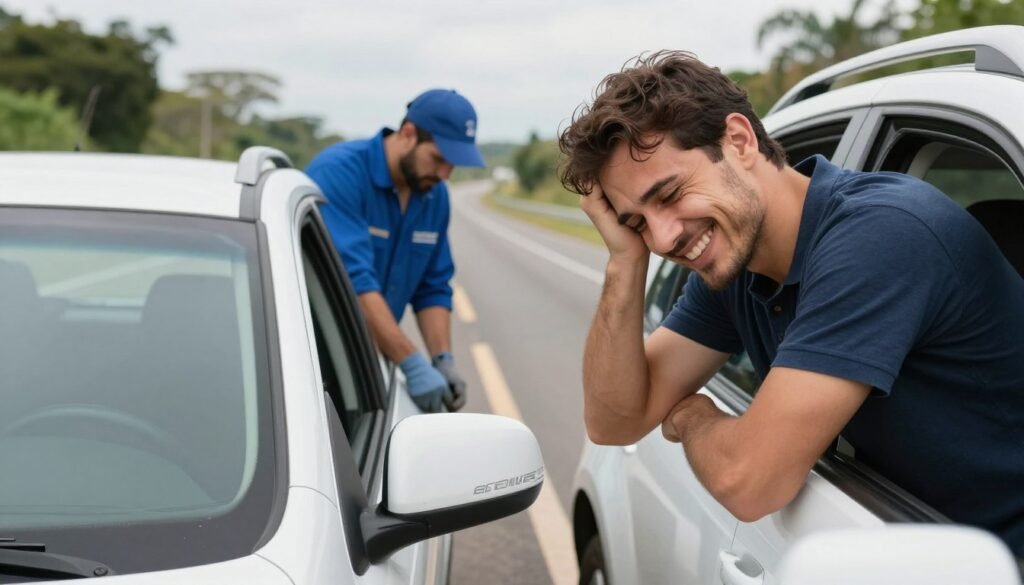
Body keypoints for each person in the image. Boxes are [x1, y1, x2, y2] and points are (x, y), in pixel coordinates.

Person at [558, 50, 1024, 555]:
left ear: (738, 141)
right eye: (638, 222)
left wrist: (695, 417)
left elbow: (749, 481)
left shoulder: (883, 235)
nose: (664, 237)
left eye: (669, 194)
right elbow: (613, 422)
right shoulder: (734, 265)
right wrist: (625, 261)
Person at [306, 89, 485, 413]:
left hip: (368, 369)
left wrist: (441, 359)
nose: (445, 174)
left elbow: (432, 286)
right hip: (314, 365)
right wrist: (411, 362)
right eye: (438, 158)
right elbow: (354, 283)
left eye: (453, 165)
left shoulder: (434, 197)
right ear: (408, 134)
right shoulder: (340, 173)